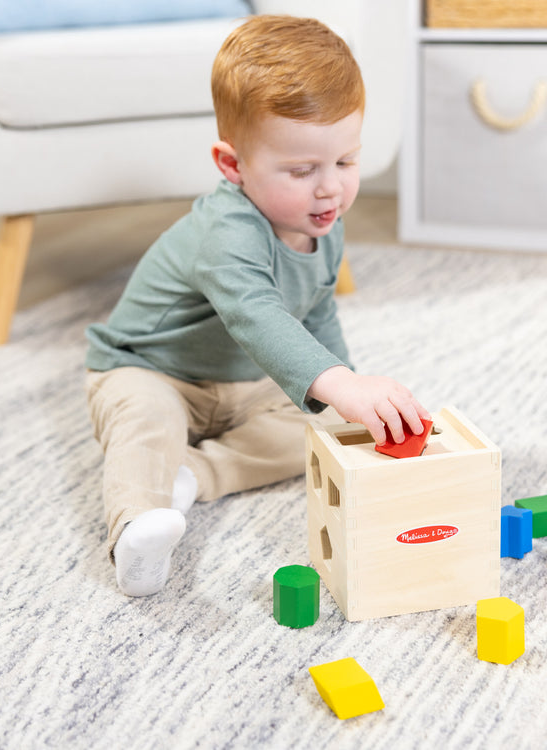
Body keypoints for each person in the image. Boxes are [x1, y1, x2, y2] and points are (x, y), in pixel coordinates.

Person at [84, 15, 430, 597]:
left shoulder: (322, 221)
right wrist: (341, 383)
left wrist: (347, 391)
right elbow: (257, 315)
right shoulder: (228, 227)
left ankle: (193, 475)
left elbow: (314, 313)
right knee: (145, 420)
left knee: (317, 430)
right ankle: (136, 529)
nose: (330, 189)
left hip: (246, 384)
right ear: (232, 165)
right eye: (301, 170)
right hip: (152, 369)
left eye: (345, 162)